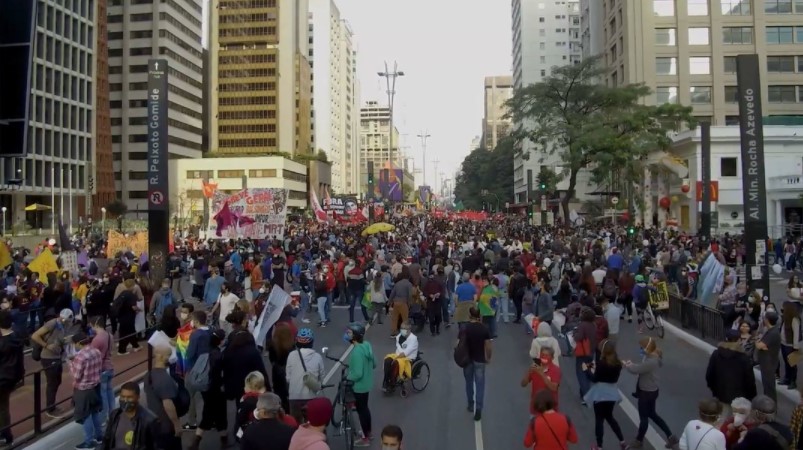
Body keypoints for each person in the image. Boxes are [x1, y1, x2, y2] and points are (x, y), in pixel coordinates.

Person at [624, 336, 678, 449]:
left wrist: (627, 365)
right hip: (652, 390)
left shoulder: (651, 361)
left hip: (646, 392)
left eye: (642, 347)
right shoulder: (653, 357)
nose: (640, 349)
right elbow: (642, 368)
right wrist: (633, 364)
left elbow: (636, 370)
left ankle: (639, 440)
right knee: (653, 414)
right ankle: (670, 436)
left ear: (647, 348)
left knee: (644, 418)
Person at [583, 339, 625, 450]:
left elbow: (595, 379)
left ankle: (599, 446)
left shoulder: (601, 364)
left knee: (599, 419)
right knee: (610, 417)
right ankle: (623, 441)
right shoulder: (618, 364)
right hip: (612, 393)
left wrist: (586, 370)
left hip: (600, 394)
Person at [31, 308, 74, 418]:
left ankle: (52, 405)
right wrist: (46, 345)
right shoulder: (52, 323)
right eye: (63, 319)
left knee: (57, 381)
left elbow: (61, 338)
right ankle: (50, 408)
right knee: (52, 383)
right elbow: (35, 335)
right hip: (48, 357)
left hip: (57, 356)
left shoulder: (65, 325)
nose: (64, 321)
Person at [188, 329, 227, 450]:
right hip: (215, 389)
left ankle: (197, 440)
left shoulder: (204, 354)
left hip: (204, 387)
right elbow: (217, 375)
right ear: (220, 341)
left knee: (208, 411)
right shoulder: (218, 355)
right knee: (219, 413)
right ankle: (223, 440)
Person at [705, 329, 757, 416]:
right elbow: (750, 380)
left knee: (721, 421)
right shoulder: (744, 358)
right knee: (737, 424)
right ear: (739, 340)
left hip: (721, 394)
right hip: (740, 398)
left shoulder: (716, 354)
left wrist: (714, 389)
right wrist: (751, 396)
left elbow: (709, 374)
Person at [69, 332, 104, 449]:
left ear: (78, 343)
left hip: (83, 389)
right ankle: (99, 436)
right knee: (95, 413)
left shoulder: (80, 357)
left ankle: (88, 442)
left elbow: (76, 376)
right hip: (95, 386)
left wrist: (70, 363)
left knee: (85, 416)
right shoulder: (96, 351)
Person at [101, 382, 161, 450]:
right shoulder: (115, 415)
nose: (125, 400)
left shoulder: (150, 420)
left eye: (129, 397)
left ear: (138, 397)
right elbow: (106, 440)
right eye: (123, 396)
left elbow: (155, 446)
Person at [144, 346, 182, 450]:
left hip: (155, 424)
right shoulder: (164, 378)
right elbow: (168, 404)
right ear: (161, 357)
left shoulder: (148, 375)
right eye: (169, 355)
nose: (171, 358)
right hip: (167, 427)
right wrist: (177, 425)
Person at [286, 328, 325, 423]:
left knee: (295, 425)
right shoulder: (317, 356)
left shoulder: (291, 355)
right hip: (310, 396)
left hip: (294, 396)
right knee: (313, 423)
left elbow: (288, 378)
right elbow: (322, 376)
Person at [345, 322, 375, 446]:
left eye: (349, 333)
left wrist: (348, 376)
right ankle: (368, 432)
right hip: (367, 384)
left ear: (355, 335)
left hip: (358, 387)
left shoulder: (357, 351)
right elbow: (374, 363)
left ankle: (365, 439)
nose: (347, 334)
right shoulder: (367, 345)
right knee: (365, 409)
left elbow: (357, 374)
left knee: (361, 411)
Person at [461, 306, 492, 421]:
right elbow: (488, 345)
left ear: (470, 315)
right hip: (479, 359)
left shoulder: (464, 328)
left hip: (467, 359)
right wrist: (488, 357)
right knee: (480, 384)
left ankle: (470, 404)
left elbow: (458, 343)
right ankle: (478, 408)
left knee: (468, 382)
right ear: (479, 316)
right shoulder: (484, 328)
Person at [0, 310, 22, 447]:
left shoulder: (2, 343)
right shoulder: (16, 336)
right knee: (4, 407)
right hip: (11, 377)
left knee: (2, 408)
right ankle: (6, 434)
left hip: (2, 377)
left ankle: (5, 434)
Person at [88, 315, 114, 420]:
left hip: (101, 369)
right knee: (109, 392)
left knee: (102, 395)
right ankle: (112, 414)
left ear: (95, 325)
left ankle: (104, 417)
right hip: (109, 367)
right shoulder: (109, 335)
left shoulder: (97, 339)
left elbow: (93, 356)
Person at [522, 347, 561, 415]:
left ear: (552, 358)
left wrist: (541, 373)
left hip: (549, 409)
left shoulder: (556, 370)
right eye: (542, 354)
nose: (544, 357)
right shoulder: (535, 367)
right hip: (535, 408)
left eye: (546, 355)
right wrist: (529, 372)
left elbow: (554, 388)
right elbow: (523, 384)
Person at [382, 321, 419, 391]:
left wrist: (395, 359)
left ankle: (392, 383)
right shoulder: (399, 337)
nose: (402, 330)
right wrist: (394, 358)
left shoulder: (413, 339)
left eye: (404, 329)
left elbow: (405, 353)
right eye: (401, 328)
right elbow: (398, 348)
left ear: (409, 330)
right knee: (387, 360)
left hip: (407, 358)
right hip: (397, 355)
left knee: (395, 363)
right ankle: (386, 381)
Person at [756, 311, 781, 403]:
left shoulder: (772, 333)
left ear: (766, 320)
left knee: (769, 386)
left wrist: (757, 341)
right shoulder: (771, 331)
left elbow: (759, 345)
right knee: (767, 386)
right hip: (767, 362)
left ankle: (770, 407)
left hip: (768, 363)